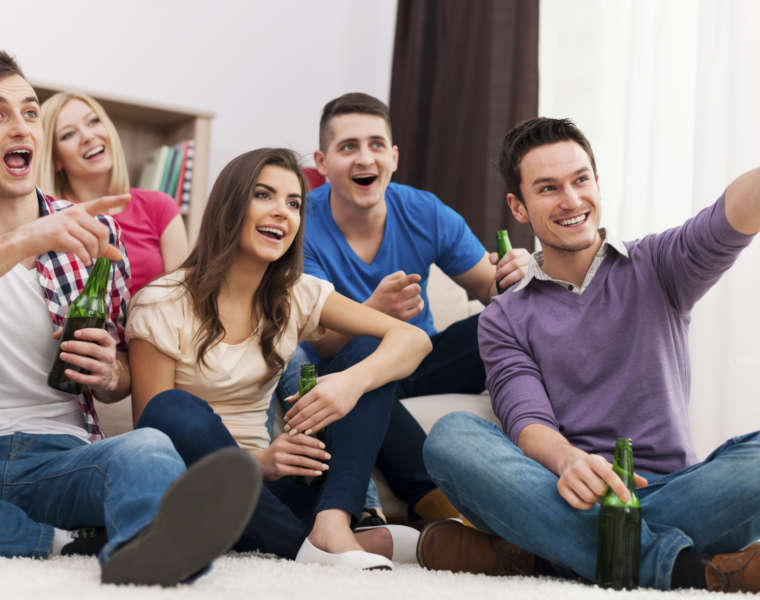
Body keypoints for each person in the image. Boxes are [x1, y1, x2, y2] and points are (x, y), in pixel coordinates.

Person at [421, 117, 760, 592]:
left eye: (580, 180)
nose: (571, 200)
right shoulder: (505, 316)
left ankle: (546, 558)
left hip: (675, 491)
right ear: (518, 207)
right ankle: (684, 570)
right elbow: (526, 419)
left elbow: (731, 216)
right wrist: (567, 461)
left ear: (597, 183)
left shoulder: (658, 264)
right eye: (548, 188)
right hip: (568, 493)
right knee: (451, 437)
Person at [0, 50, 262, 585]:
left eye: (29, 112)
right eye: (0, 114)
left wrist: (110, 372)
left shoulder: (92, 232)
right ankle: (63, 540)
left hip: (60, 456)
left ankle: (149, 545)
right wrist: (25, 240)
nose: (20, 127)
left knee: (148, 448)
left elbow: (121, 377)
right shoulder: (44, 233)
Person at [127, 147, 432, 569]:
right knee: (174, 408)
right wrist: (261, 462)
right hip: (195, 486)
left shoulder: (296, 293)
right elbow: (152, 432)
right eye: (264, 195)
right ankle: (305, 547)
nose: (281, 212)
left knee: (367, 352)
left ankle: (331, 525)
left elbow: (413, 339)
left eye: (293, 204)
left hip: (268, 493)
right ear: (229, 205)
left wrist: (349, 384)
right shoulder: (162, 301)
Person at [301, 92, 531, 523]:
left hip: (420, 360)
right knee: (367, 349)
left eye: (375, 145)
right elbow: (318, 343)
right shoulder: (302, 225)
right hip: (344, 365)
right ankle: (439, 508)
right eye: (348, 147)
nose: (364, 158)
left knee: (508, 321)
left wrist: (514, 274)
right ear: (322, 162)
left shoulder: (424, 211)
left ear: (393, 157)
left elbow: (491, 289)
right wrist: (375, 312)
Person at [38, 91, 188, 294]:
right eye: (68, 134)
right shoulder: (50, 221)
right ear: (55, 159)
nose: (88, 136)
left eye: (93, 121)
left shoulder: (159, 206)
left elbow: (181, 297)